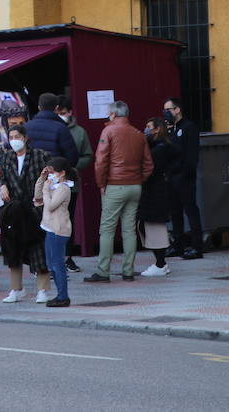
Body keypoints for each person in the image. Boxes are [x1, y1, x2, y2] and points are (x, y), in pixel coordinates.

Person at [85, 101, 153, 284]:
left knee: (107, 229)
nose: (108, 116)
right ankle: (128, 271)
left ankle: (103, 271)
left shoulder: (109, 131)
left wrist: (101, 184)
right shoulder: (139, 134)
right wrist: (139, 179)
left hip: (115, 185)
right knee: (129, 229)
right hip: (135, 186)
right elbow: (148, 165)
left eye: (109, 113)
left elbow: (100, 161)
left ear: (114, 114)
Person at [0, 124, 53, 303]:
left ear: (25, 138)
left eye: (17, 136)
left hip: (34, 208)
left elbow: (49, 178)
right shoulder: (6, 157)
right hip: (14, 209)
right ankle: (16, 289)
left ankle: (42, 290)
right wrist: (3, 185)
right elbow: (3, 176)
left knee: (38, 249)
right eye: (11, 137)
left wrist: (42, 198)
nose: (14, 140)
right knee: (13, 249)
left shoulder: (39, 155)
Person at [138, 117, 180, 278]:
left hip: (155, 192)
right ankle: (161, 262)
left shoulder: (158, 151)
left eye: (149, 127)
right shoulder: (164, 147)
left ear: (157, 129)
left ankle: (160, 263)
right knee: (149, 225)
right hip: (159, 191)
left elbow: (151, 171)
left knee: (153, 226)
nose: (146, 129)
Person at [55, 97, 93, 272]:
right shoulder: (52, 129)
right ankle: (52, 258)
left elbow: (87, 155)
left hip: (71, 184)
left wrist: (73, 167)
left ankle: (68, 256)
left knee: (67, 220)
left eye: (63, 113)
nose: (61, 116)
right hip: (51, 185)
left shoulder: (79, 132)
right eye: (58, 113)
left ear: (70, 112)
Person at [164, 97, 204, 260]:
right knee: (175, 213)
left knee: (191, 211)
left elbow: (191, 156)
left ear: (177, 109)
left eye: (168, 110)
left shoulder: (189, 127)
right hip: (171, 178)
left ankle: (197, 246)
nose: (166, 113)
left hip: (185, 178)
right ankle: (178, 245)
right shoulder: (171, 129)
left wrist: (183, 174)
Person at [35, 156, 74, 308]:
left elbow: (50, 205)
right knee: (51, 264)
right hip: (49, 228)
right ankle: (60, 295)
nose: (50, 175)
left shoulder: (63, 188)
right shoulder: (53, 186)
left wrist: (46, 189)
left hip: (59, 230)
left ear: (62, 173)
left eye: (52, 172)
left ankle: (63, 296)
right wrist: (42, 179)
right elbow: (38, 196)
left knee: (57, 264)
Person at [24, 93, 79, 165]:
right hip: (55, 172)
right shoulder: (61, 128)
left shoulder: (26, 127)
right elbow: (72, 158)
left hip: (33, 172)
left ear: (39, 108)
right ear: (56, 108)